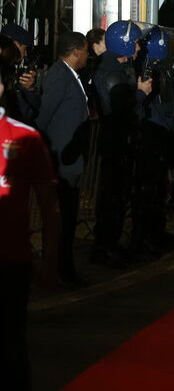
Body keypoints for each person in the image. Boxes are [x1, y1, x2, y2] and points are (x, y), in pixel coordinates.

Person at [0, 77, 60, 391]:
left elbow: (49, 206)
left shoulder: (25, 137)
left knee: (10, 347)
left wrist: (49, 258)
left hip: (10, 262)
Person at [93, 20, 150, 267]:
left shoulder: (117, 68)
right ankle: (105, 247)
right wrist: (141, 93)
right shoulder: (112, 73)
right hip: (116, 142)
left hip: (121, 141)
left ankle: (111, 244)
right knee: (112, 197)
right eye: (135, 42)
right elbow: (120, 109)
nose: (138, 47)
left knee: (118, 196)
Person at [35, 32, 89, 287]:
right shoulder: (59, 76)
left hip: (68, 160)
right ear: (76, 52)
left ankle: (63, 268)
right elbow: (43, 117)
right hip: (60, 161)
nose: (88, 56)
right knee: (61, 221)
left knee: (67, 219)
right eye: (86, 51)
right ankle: (59, 271)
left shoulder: (70, 75)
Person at [133, 26, 174, 255]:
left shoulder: (163, 68)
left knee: (160, 187)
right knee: (150, 189)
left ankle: (155, 232)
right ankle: (146, 235)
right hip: (153, 133)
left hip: (162, 132)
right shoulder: (149, 69)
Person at [0, 24, 40, 124]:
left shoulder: (13, 72)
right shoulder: (6, 72)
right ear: (16, 44)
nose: (25, 54)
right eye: (24, 49)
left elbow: (29, 111)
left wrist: (29, 89)